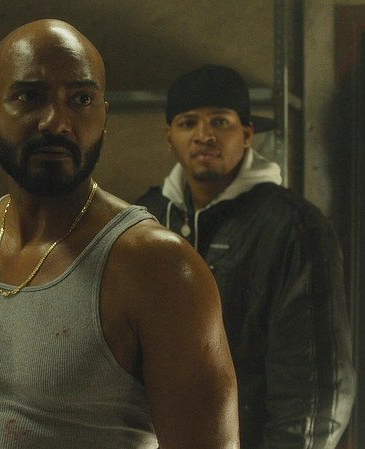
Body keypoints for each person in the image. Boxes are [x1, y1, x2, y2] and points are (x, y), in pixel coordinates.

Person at [0, 19, 240, 449]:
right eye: (29, 97)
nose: (57, 122)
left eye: (81, 99)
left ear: (103, 115)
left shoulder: (159, 268)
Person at [136, 64, 356, 449]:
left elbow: (316, 386)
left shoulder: (294, 227)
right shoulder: (145, 221)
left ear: (248, 134)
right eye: (188, 123)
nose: (204, 135)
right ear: (170, 137)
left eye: (220, 121)